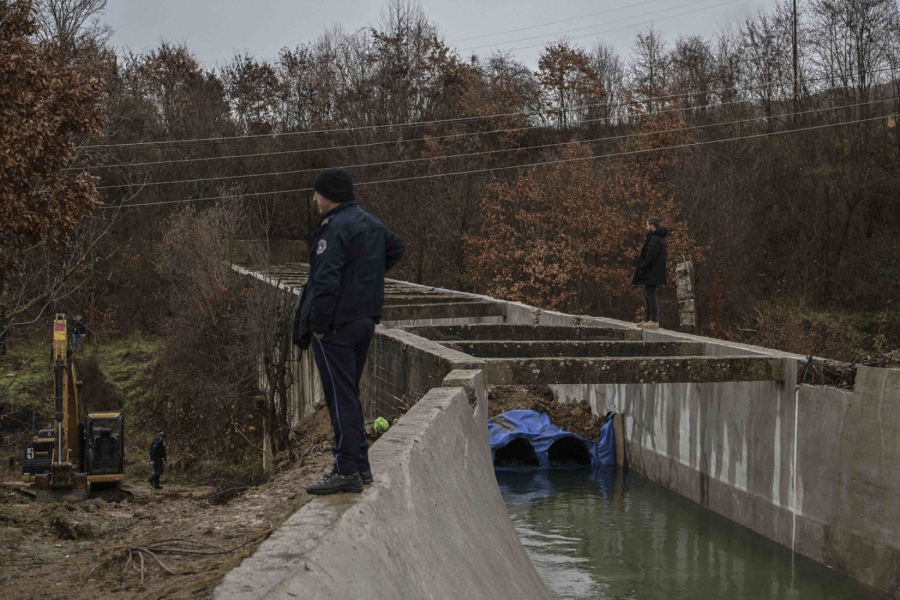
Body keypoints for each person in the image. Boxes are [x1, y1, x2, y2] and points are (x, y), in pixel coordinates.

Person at [295, 167, 405, 495]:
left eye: (317, 192)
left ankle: (345, 470)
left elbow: (325, 282)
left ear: (330, 195)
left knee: (340, 398)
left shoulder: (335, 228)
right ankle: (360, 467)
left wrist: (317, 327)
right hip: (364, 321)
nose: (314, 198)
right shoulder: (370, 222)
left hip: (336, 327)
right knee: (349, 395)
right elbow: (395, 249)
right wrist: (364, 280)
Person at [632, 217, 669, 330]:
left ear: (652, 226)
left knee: (650, 295)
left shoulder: (654, 238)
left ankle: (653, 320)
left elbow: (651, 256)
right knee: (647, 294)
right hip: (654, 271)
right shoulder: (659, 238)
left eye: (647, 225)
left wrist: (642, 267)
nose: (646, 227)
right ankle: (647, 319)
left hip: (652, 271)